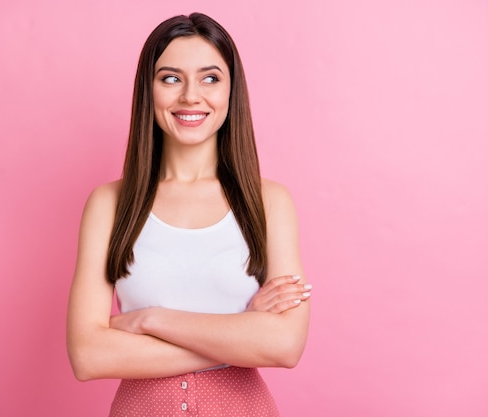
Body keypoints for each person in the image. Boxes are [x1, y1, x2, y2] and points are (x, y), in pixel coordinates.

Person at [66, 12, 312, 417]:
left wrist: (149, 320)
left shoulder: (270, 202)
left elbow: (284, 346)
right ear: (149, 90)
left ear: (232, 91)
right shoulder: (109, 204)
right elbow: (88, 355)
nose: (190, 97)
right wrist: (241, 334)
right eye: (171, 78)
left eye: (210, 78)